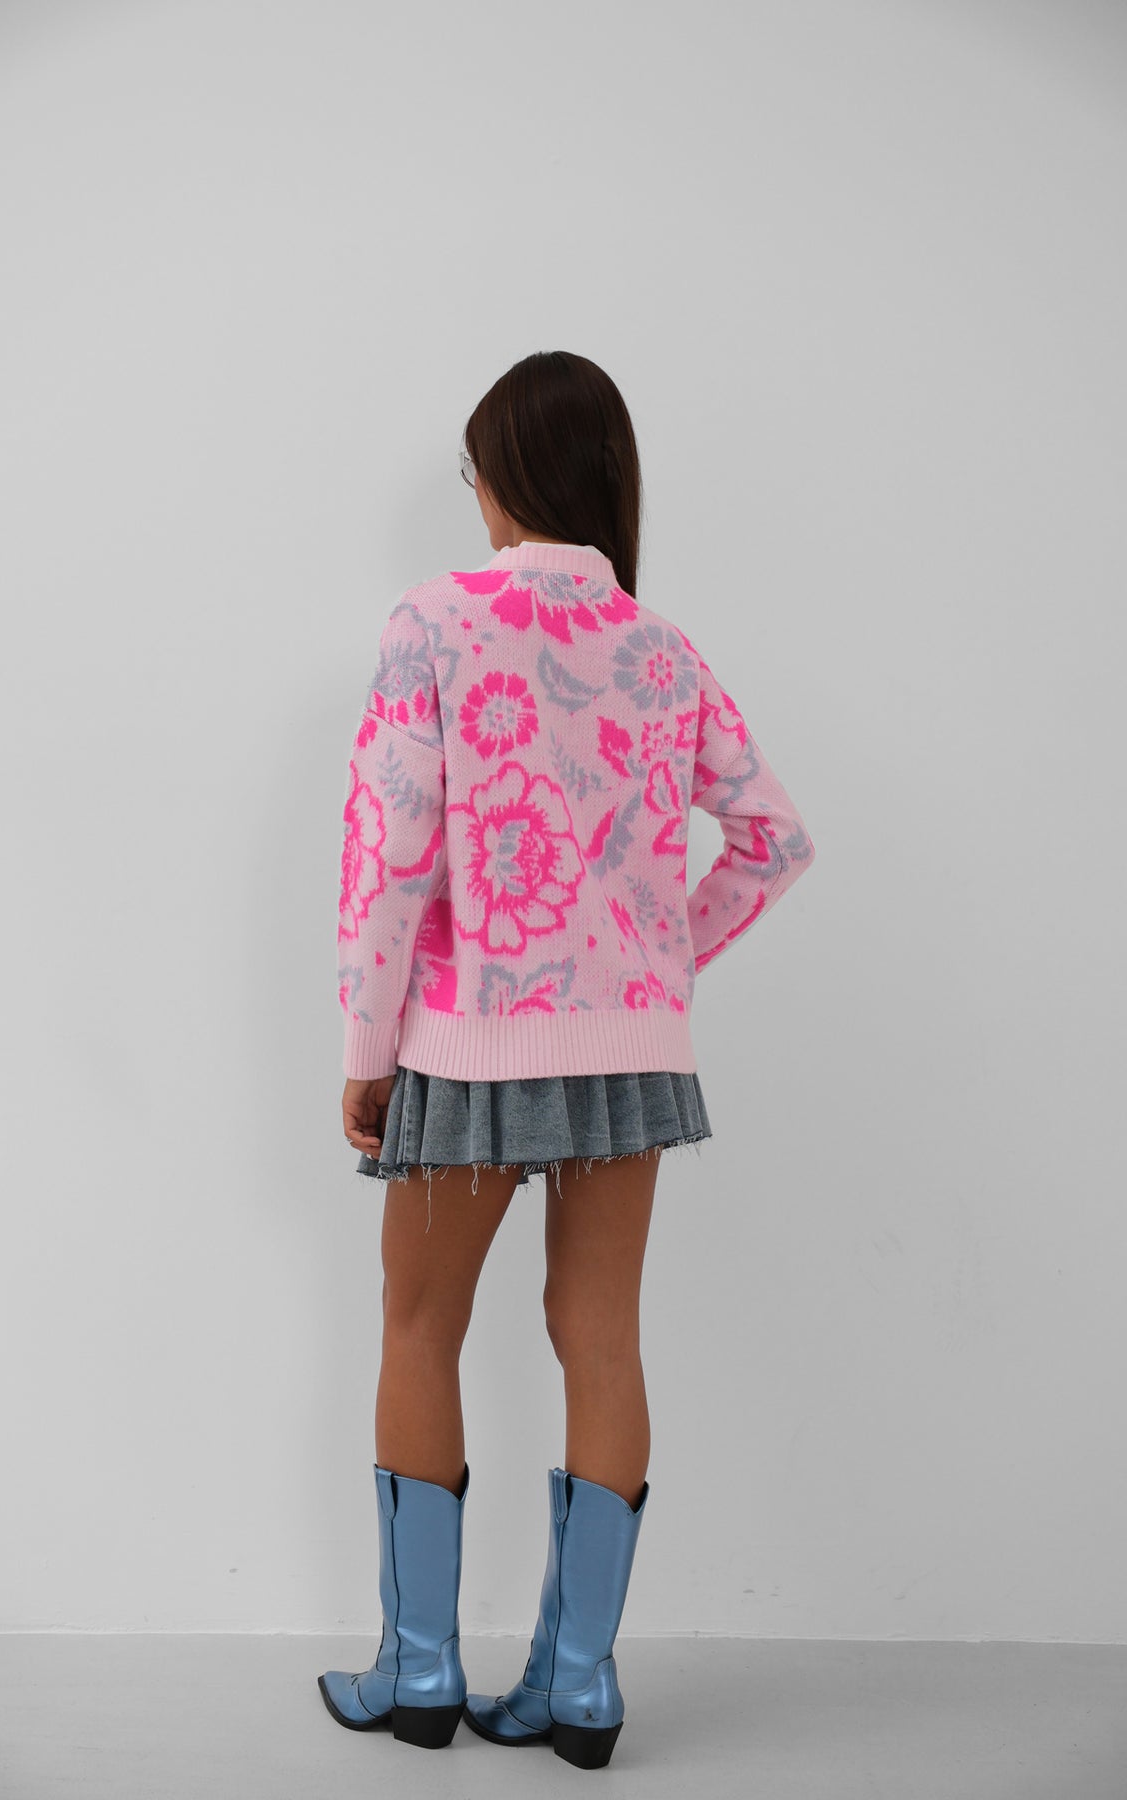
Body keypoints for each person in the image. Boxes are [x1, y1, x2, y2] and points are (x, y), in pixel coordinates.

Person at [318, 350, 816, 1768]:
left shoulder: (432, 622)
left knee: (419, 1327)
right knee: (601, 1337)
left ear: (500, 479)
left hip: (468, 1043)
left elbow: (390, 853)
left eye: (472, 472)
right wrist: (655, 967)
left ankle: (420, 1673)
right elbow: (773, 838)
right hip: (632, 1056)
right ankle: (577, 1687)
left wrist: (367, 1044)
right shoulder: (663, 649)